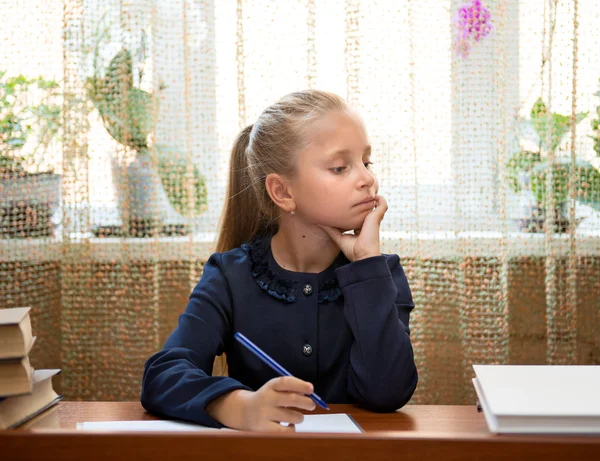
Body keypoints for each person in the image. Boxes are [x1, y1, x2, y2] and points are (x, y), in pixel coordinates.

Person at [141, 89, 418, 432]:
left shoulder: (379, 272)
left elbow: (388, 392)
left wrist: (366, 266)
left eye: (366, 162)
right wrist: (238, 406)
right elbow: (164, 375)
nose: (367, 179)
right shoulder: (229, 276)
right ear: (283, 192)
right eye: (340, 167)